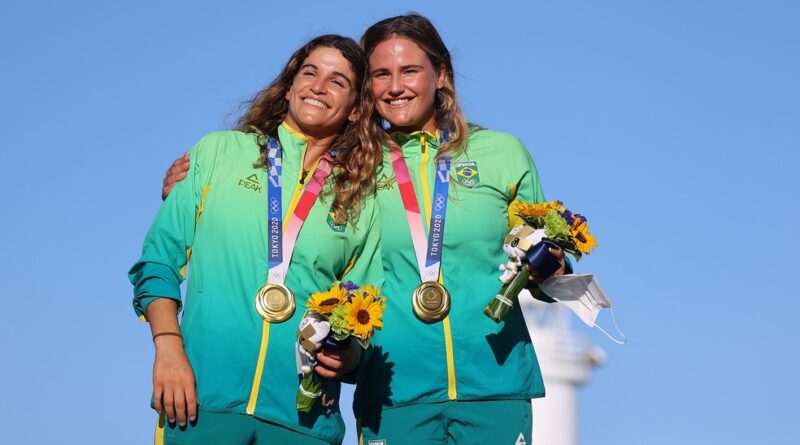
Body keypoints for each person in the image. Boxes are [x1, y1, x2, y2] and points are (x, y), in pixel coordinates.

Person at [161, 14, 565, 445]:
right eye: (380, 74)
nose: (395, 86)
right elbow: (278, 203)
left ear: (441, 75)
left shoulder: (503, 153)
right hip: (392, 394)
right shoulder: (356, 168)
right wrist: (187, 186)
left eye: (410, 70)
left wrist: (552, 267)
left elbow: (539, 262)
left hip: (495, 386)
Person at [130, 34, 384, 445]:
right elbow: (158, 261)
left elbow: (368, 306)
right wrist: (168, 347)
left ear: (356, 110)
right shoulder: (218, 153)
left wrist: (350, 354)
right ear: (288, 87)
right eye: (310, 73)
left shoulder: (359, 198)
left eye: (338, 81)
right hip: (199, 402)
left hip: (304, 422)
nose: (319, 86)